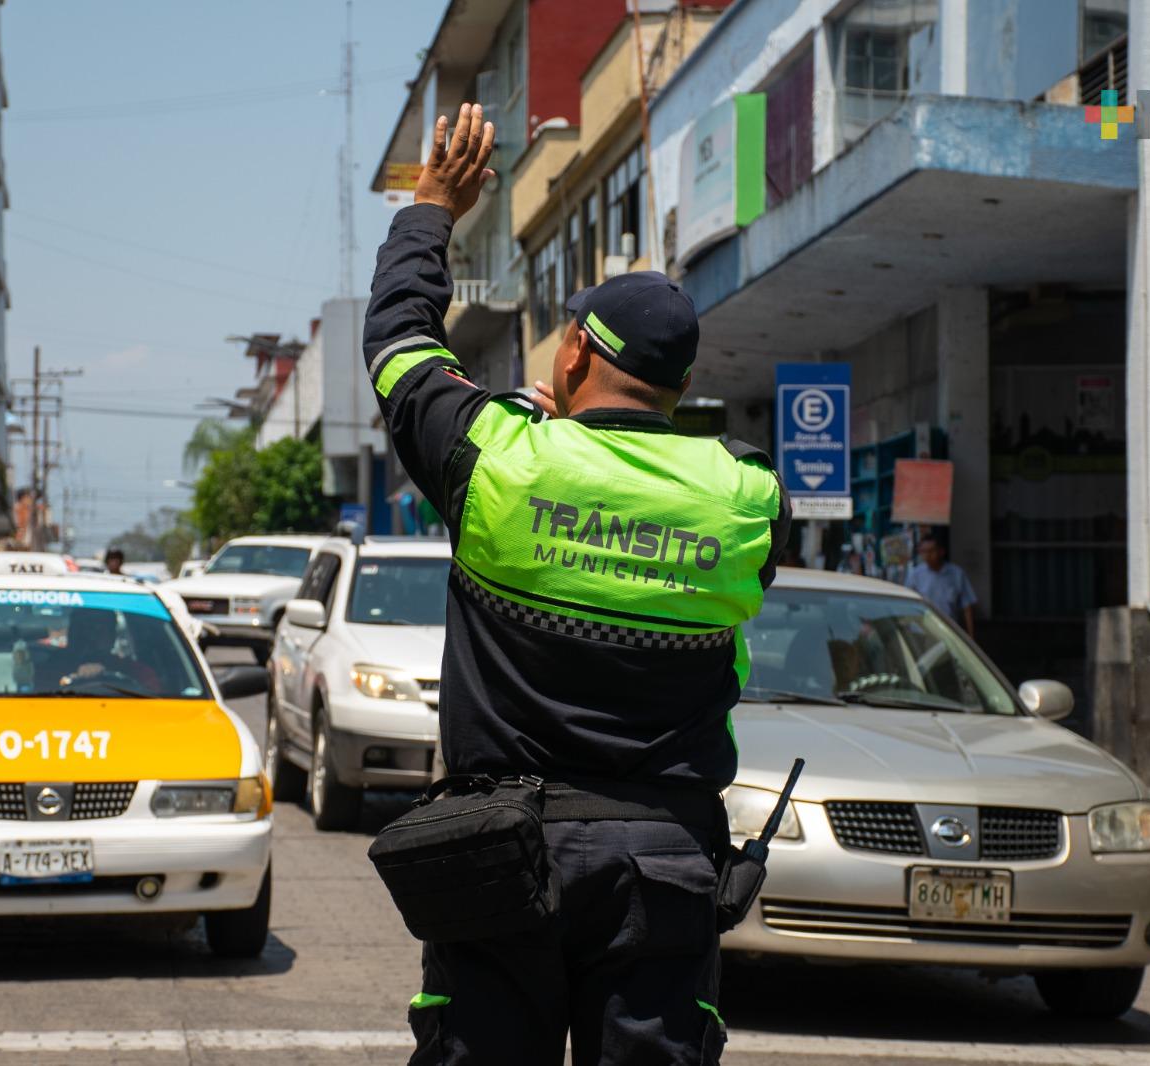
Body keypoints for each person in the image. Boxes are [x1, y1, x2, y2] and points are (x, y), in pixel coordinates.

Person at [365, 104, 789, 1065]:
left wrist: (432, 207)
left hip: (499, 858)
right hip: (666, 863)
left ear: (574, 358)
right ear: (677, 384)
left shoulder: (497, 460)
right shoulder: (748, 491)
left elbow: (398, 344)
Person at [905, 534, 977, 638]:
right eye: (923, 551)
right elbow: (907, 605)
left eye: (931, 551)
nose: (927, 555)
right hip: (922, 632)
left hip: (949, 632)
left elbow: (967, 607)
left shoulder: (956, 574)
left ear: (941, 551)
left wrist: (971, 636)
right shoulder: (915, 575)